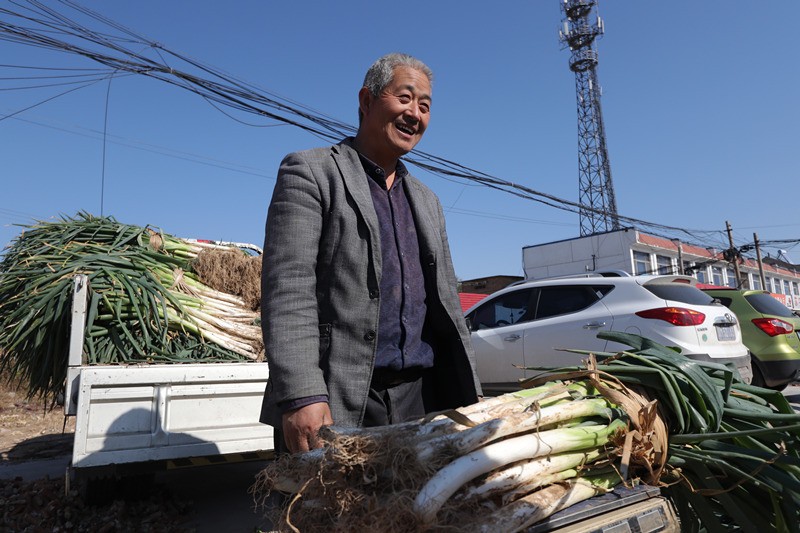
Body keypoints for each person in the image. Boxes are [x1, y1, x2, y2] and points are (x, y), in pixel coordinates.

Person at [259, 52, 482, 454]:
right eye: (405, 98)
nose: (415, 113)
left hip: (420, 398)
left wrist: (471, 391)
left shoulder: (427, 200)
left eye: (425, 106)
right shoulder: (311, 173)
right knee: (327, 515)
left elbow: (446, 300)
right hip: (338, 396)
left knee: (411, 514)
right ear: (366, 100)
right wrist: (302, 395)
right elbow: (288, 290)